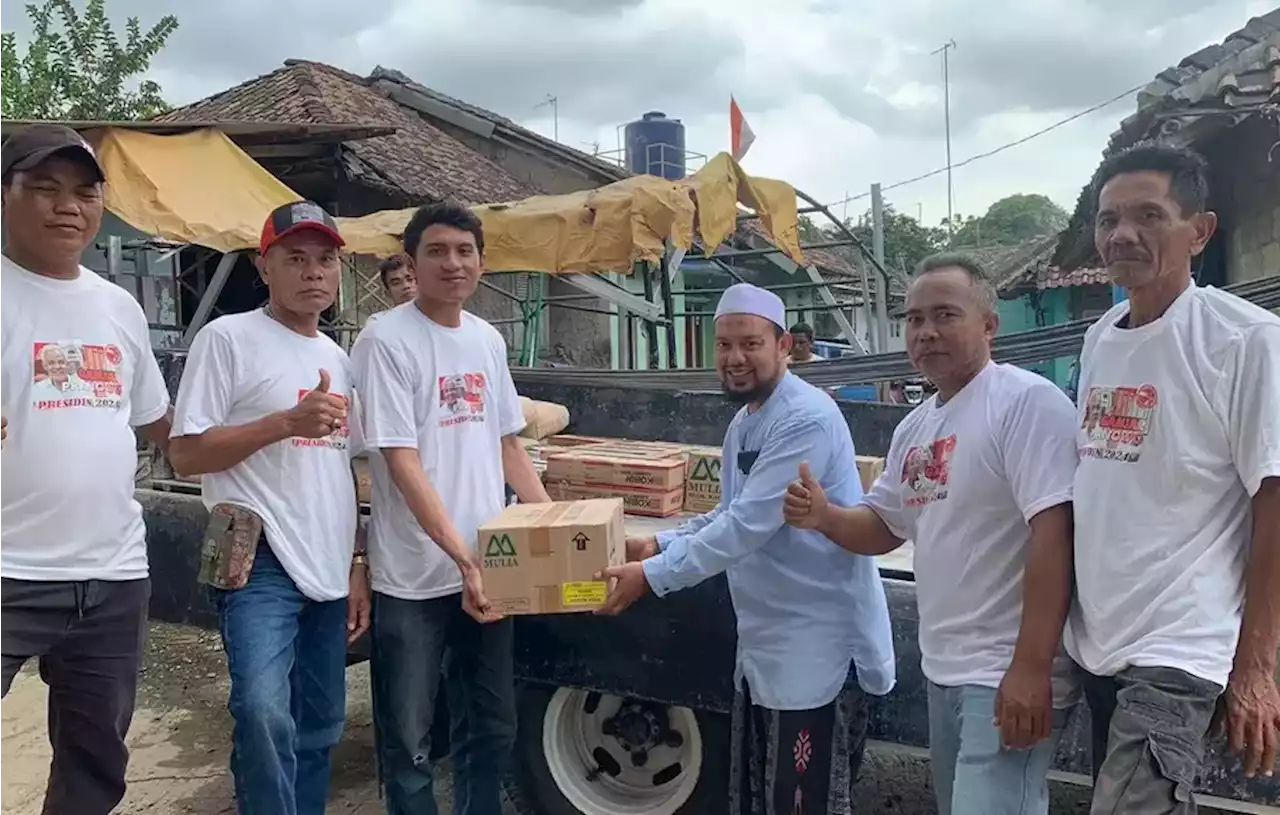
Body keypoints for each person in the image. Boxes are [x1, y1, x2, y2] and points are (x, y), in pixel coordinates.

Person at [784, 254, 1079, 815]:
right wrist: (823, 515)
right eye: (914, 319)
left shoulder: (1025, 404)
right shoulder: (916, 427)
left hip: (1004, 671)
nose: (926, 332)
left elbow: (1055, 533)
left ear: (989, 326)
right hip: (946, 667)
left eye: (946, 315)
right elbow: (883, 526)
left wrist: (1031, 667)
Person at [597, 282, 896, 815]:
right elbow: (727, 512)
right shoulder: (748, 418)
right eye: (724, 345)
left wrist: (653, 575)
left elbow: (746, 528)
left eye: (751, 344)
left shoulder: (804, 417)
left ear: (784, 346)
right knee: (764, 790)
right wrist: (657, 541)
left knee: (802, 797)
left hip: (813, 639)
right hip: (769, 635)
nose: (735, 358)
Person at [1068, 142, 1280, 811]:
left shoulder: (1243, 339)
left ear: (1201, 231)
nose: (1121, 234)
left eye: (1148, 216)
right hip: (1100, 642)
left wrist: (1256, 666)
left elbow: (1273, 496)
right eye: (1108, 219)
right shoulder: (1101, 336)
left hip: (1180, 646)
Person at [168, 200, 370, 815]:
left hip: (330, 560)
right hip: (256, 557)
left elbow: (346, 466)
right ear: (265, 266)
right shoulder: (228, 339)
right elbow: (184, 453)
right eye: (296, 259)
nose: (313, 272)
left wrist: (358, 560)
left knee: (321, 723)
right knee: (261, 712)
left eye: (326, 260)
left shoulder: (339, 358)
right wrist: (285, 421)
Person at [351, 200, 549, 815]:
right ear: (410, 263)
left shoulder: (486, 340)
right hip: (414, 578)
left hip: (491, 572)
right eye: (436, 251)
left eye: (465, 251)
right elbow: (400, 461)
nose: (452, 263)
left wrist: (558, 522)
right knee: (411, 741)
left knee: (491, 726)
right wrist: (463, 558)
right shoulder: (384, 339)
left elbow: (507, 443)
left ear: (482, 264)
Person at [0, 123, 173, 815]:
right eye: (44, 188)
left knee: (95, 759)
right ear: (4, 197)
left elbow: (162, 425)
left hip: (112, 575)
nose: (67, 206)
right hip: (7, 569)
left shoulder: (119, 306)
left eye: (83, 192)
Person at [367, 254, 417, 326]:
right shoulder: (378, 322)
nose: (406, 286)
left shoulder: (435, 319)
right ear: (387, 293)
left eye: (410, 279)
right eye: (396, 283)